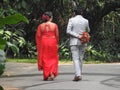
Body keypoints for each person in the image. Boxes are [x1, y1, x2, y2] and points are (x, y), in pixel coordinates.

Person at [66, 6, 90, 81]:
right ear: (81, 13)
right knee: (80, 58)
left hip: (74, 41)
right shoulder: (86, 21)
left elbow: (68, 31)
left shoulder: (71, 20)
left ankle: (78, 75)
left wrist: (77, 35)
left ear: (74, 13)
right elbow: (88, 30)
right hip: (83, 41)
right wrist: (82, 35)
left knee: (75, 59)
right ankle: (79, 74)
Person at [35, 11, 59, 81]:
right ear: (51, 17)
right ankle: (51, 73)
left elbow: (38, 36)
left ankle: (47, 74)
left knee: (45, 58)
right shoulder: (54, 25)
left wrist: (38, 45)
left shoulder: (40, 26)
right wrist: (57, 43)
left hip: (44, 42)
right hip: (52, 41)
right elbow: (57, 35)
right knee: (53, 58)